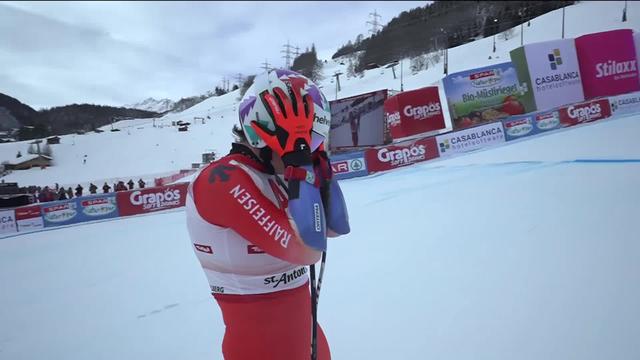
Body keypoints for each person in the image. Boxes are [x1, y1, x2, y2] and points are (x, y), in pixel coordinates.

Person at [185, 69, 350, 360]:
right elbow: (307, 249)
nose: (308, 148)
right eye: (304, 139)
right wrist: (299, 163)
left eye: (313, 141)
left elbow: (336, 226)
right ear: (267, 133)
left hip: (308, 338)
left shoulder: (277, 175)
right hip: (261, 349)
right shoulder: (222, 179)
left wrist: (318, 164)